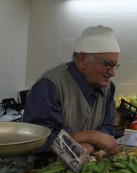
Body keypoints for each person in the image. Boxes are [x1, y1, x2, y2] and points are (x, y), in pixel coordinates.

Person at [23, 25, 120, 155]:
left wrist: (87, 147)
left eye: (115, 65)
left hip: (88, 167)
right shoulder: (49, 86)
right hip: (46, 168)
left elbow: (108, 127)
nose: (113, 73)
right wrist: (92, 136)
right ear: (82, 59)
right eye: (107, 64)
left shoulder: (108, 88)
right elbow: (40, 140)